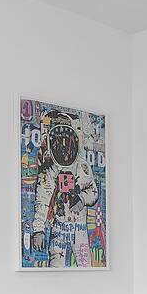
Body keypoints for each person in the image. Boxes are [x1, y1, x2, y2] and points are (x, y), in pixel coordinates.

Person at [29, 108, 99, 266]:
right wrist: (38, 230)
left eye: (67, 142)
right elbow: (42, 201)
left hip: (79, 227)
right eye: (60, 142)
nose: (64, 148)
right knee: (56, 265)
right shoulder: (50, 171)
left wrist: (81, 199)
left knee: (85, 265)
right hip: (59, 227)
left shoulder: (82, 166)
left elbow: (93, 191)